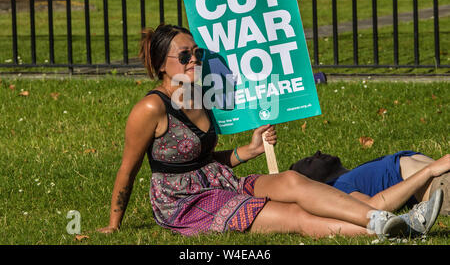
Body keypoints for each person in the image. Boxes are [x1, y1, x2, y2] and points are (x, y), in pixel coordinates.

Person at [97, 24, 439, 239]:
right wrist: (114, 225)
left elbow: (201, 160)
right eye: (184, 55)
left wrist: (248, 150)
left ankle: (384, 218)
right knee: (294, 216)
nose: (194, 61)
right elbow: (128, 170)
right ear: (161, 65)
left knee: (291, 180)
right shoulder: (150, 109)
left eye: (196, 53)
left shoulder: (199, 94)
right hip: (183, 201)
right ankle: (390, 230)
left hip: (217, 179)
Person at [289, 151, 450, 217]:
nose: (317, 153)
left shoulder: (351, 175)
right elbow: (373, 207)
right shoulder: (338, 188)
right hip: (441, 187)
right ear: (310, 180)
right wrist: (430, 170)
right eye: (309, 161)